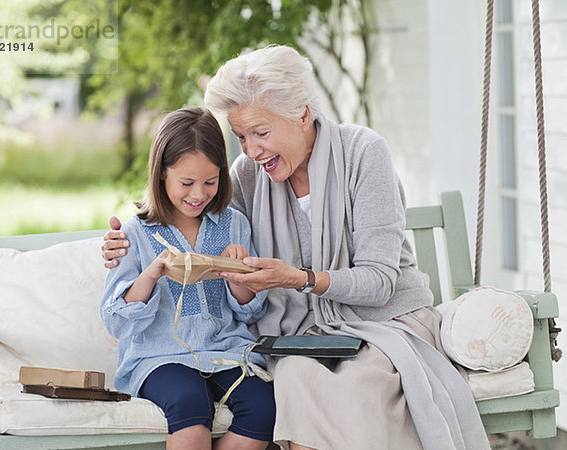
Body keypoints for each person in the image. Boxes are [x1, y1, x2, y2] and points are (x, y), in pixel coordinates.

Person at [103, 46, 489, 449]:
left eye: (261, 133)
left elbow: (379, 283)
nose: (251, 150)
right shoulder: (249, 174)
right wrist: (123, 242)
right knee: (294, 378)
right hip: (304, 334)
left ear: (302, 114)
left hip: (387, 323)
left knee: (354, 387)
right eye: (240, 137)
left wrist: (298, 279)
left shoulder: (363, 152)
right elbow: (199, 226)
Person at [100, 107, 275, 450]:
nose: (198, 194)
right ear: (161, 174)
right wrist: (151, 275)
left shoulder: (234, 224)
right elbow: (117, 321)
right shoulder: (135, 232)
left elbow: (250, 311)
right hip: (160, 356)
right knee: (189, 404)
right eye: (186, 183)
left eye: (210, 182)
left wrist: (237, 275)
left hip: (226, 349)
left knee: (263, 407)